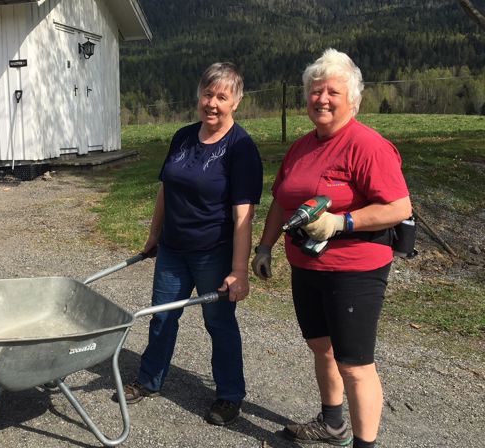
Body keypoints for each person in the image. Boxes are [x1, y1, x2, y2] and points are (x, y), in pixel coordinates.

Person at [252, 49, 411, 448]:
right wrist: (265, 246)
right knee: (321, 348)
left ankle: (364, 443)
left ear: (353, 99)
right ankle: (332, 424)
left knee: (355, 365)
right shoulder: (302, 146)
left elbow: (399, 207)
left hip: (355, 270)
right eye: (315, 91)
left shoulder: (368, 145)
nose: (321, 99)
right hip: (307, 267)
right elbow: (282, 200)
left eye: (332, 92)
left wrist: (343, 222)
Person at [121, 62, 263, 426]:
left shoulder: (241, 147)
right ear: (199, 96)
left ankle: (230, 395)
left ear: (236, 102)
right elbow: (166, 189)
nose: (212, 103)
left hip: (213, 252)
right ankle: (150, 380)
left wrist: (239, 269)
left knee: (219, 324)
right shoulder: (183, 137)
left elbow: (243, 214)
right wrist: (154, 235)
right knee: (161, 316)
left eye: (222, 96)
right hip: (172, 249)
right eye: (207, 94)